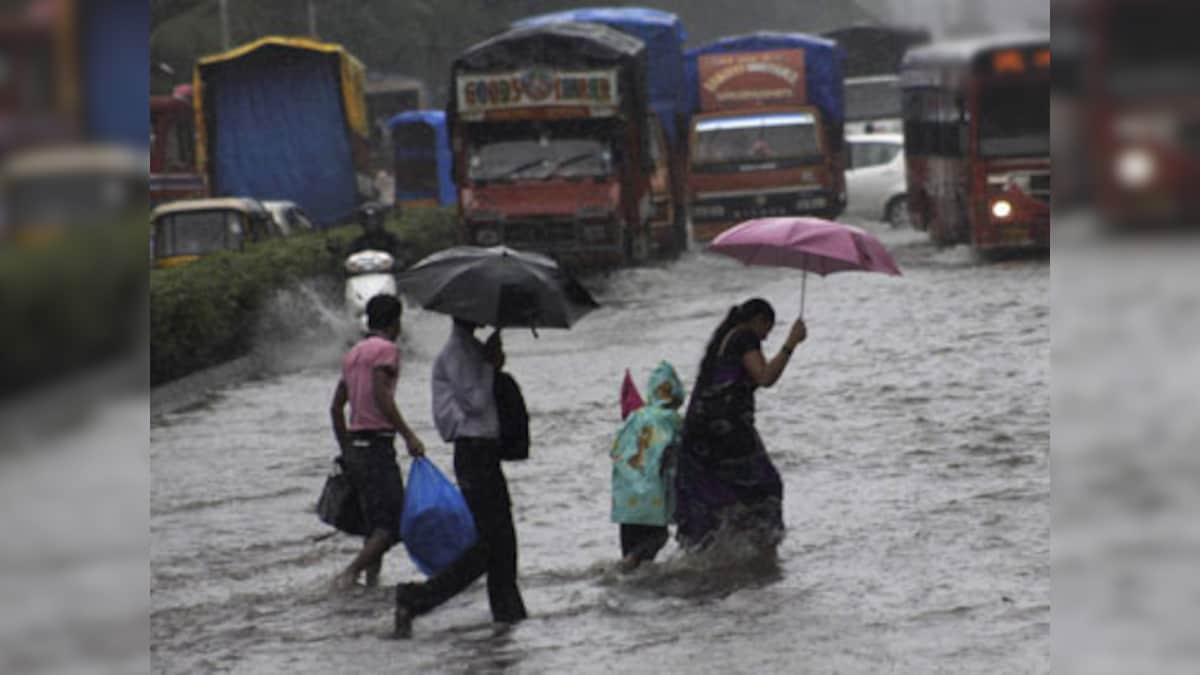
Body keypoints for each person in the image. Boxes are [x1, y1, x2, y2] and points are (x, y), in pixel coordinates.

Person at [392, 319, 527, 638]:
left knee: (500, 544)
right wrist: (491, 367)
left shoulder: (471, 349)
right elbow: (476, 402)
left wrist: (490, 361)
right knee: (491, 546)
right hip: (473, 453)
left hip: (484, 454)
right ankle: (416, 599)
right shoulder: (456, 353)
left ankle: (508, 617)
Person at [674, 298, 807, 553]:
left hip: (702, 433)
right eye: (767, 329)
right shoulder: (744, 337)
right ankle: (762, 551)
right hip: (727, 433)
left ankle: (722, 553)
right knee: (766, 486)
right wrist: (791, 343)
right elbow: (765, 377)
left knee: (723, 491)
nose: (766, 338)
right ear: (758, 320)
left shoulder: (724, 341)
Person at [329, 294, 426, 589]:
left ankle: (372, 585)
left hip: (357, 446)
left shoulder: (353, 354)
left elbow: (336, 407)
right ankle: (351, 573)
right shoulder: (387, 351)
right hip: (378, 445)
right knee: (393, 523)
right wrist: (409, 434)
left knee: (374, 525)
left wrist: (346, 448)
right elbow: (382, 395)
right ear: (395, 322)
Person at [610, 361, 685, 572]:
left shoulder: (635, 416)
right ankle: (632, 562)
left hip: (624, 498)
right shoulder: (674, 420)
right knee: (658, 536)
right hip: (652, 496)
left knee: (631, 553)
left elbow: (616, 451)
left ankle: (629, 572)